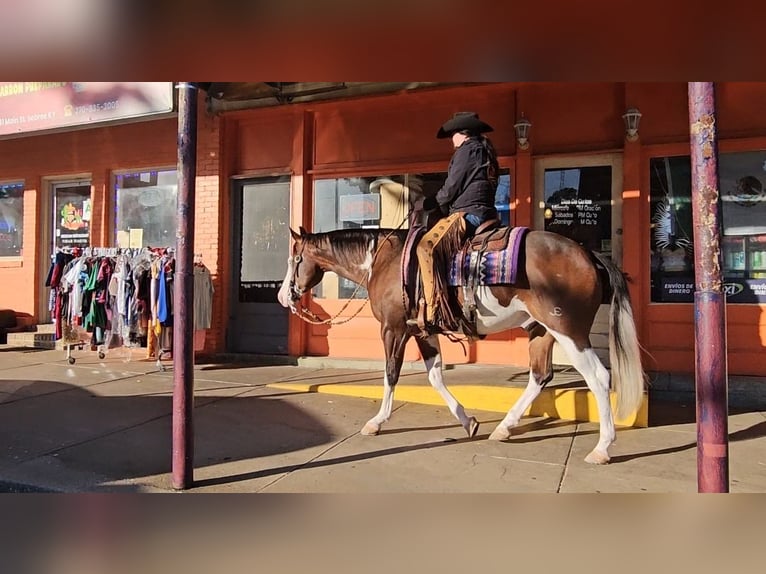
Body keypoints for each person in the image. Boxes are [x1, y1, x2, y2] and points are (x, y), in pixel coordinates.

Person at [408, 111, 500, 332]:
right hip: (485, 212)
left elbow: (452, 187)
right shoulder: (485, 151)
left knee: (425, 247)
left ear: (462, 133)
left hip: (467, 213)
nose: (452, 139)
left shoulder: (468, 150)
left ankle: (434, 310)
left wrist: (429, 203)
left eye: (453, 134)